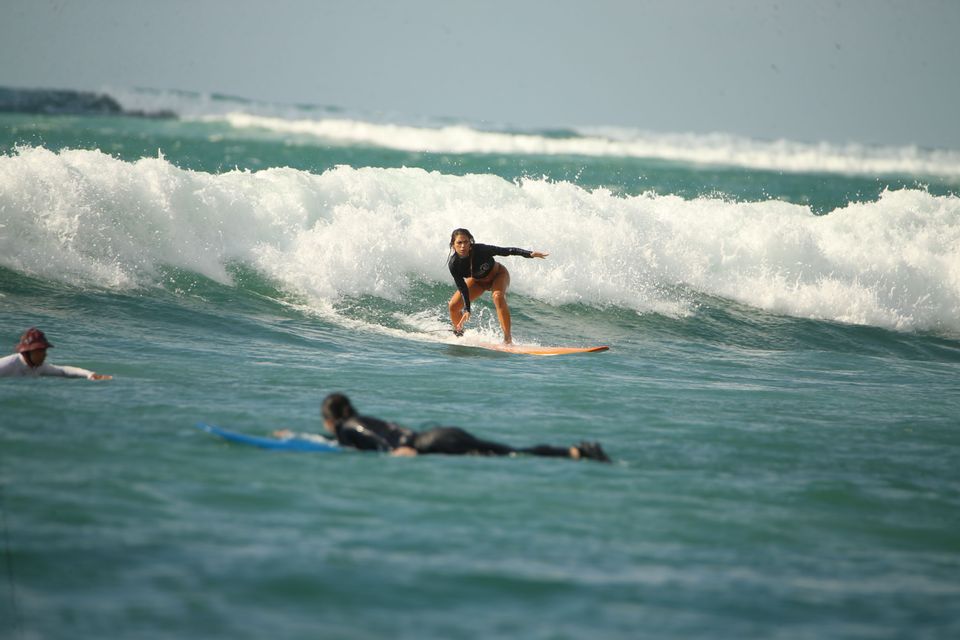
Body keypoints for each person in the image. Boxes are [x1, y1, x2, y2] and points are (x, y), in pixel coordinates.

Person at [310, 392, 610, 462]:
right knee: (510, 451)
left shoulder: (349, 427)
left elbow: (373, 439)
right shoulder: (357, 421)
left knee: (509, 455)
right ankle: (576, 452)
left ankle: (577, 453)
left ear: (330, 418)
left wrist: (395, 451)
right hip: (441, 435)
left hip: (435, 444)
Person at [447, 228, 548, 344]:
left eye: (466, 242)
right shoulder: (454, 264)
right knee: (453, 306)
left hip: (498, 275)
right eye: (459, 242)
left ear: (470, 243)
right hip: (477, 282)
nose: (463, 246)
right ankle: (459, 334)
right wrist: (467, 309)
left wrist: (529, 254)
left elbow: (506, 251)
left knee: (497, 296)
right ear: (453, 245)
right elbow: (462, 287)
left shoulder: (481, 250)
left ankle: (507, 339)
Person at [0, 327, 112, 380]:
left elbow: (63, 371)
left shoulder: (38, 367)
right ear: (28, 352)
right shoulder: (7, 365)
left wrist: (89, 374)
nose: (45, 355)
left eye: (45, 351)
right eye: (41, 351)